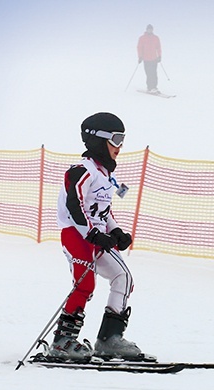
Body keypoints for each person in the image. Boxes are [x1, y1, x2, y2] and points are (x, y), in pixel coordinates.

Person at [50, 112, 144, 361]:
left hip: (96, 237)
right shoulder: (82, 171)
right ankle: (62, 342)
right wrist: (92, 233)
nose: (119, 146)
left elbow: (103, 210)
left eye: (122, 139)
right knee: (85, 285)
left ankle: (109, 339)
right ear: (99, 140)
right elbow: (75, 206)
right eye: (116, 139)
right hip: (76, 235)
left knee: (123, 277)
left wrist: (115, 231)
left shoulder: (105, 175)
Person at [136, 24, 162, 94]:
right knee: (149, 73)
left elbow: (158, 47)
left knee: (154, 73)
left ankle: (154, 87)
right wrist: (140, 57)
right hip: (146, 59)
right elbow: (139, 48)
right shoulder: (142, 38)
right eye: (148, 29)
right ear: (146, 30)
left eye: (151, 29)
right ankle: (150, 87)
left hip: (154, 59)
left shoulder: (156, 38)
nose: (150, 30)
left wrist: (159, 56)